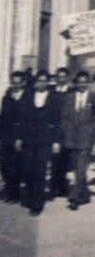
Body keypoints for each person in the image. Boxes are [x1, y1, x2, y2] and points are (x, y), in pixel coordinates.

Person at [15, 70, 62, 216]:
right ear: (36, 82)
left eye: (44, 80)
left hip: (45, 141)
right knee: (28, 170)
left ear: (48, 82)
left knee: (40, 172)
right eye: (39, 80)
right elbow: (22, 119)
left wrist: (56, 141)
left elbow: (57, 121)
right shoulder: (28, 95)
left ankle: (37, 204)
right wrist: (19, 138)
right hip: (29, 139)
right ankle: (30, 197)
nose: (41, 83)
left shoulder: (54, 97)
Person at [60, 71, 95, 211]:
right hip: (71, 138)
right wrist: (65, 133)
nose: (82, 84)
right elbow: (64, 118)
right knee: (76, 168)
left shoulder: (94, 98)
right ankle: (84, 194)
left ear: (88, 83)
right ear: (76, 83)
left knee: (81, 167)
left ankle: (74, 197)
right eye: (80, 82)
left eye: (85, 82)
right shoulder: (69, 97)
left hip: (86, 138)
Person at [0, 71, 29, 203]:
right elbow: (3, 117)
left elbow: (29, 120)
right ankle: (9, 188)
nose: (15, 86)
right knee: (5, 165)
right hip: (6, 136)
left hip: (21, 137)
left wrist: (21, 137)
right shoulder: (7, 97)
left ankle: (14, 194)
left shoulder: (28, 97)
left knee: (18, 166)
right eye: (13, 83)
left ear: (23, 83)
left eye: (18, 83)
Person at [50, 66, 71, 198]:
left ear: (67, 78)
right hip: (54, 129)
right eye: (59, 77)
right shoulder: (52, 92)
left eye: (63, 77)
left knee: (65, 159)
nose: (61, 79)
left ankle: (63, 186)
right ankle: (54, 187)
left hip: (68, 130)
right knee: (54, 160)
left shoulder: (71, 92)